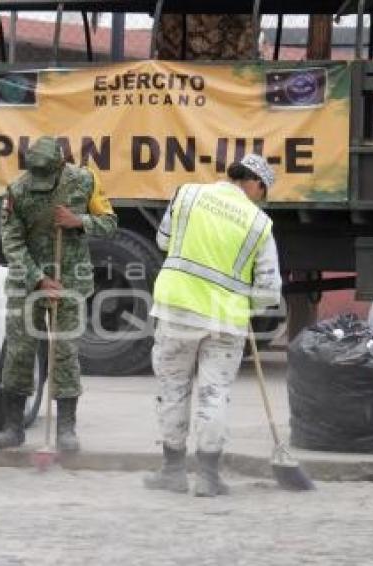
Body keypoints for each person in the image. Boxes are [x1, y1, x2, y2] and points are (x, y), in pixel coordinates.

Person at [144, 153, 282, 497]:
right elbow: (269, 290)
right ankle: (208, 477)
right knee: (214, 394)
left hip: (176, 310)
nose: (261, 199)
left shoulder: (186, 195)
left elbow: (163, 241)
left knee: (173, 388)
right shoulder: (259, 223)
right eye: (263, 191)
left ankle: (173, 471)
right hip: (226, 321)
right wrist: (249, 301)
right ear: (256, 184)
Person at [0, 136, 118, 452]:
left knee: (65, 352)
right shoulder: (16, 191)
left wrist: (80, 221)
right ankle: (13, 426)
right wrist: (38, 279)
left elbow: (110, 224)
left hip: (70, 281)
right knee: (19, 351)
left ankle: (66, 429)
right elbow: (11, 242)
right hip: (28, 282)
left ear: (61, 164)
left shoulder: (85, 180)